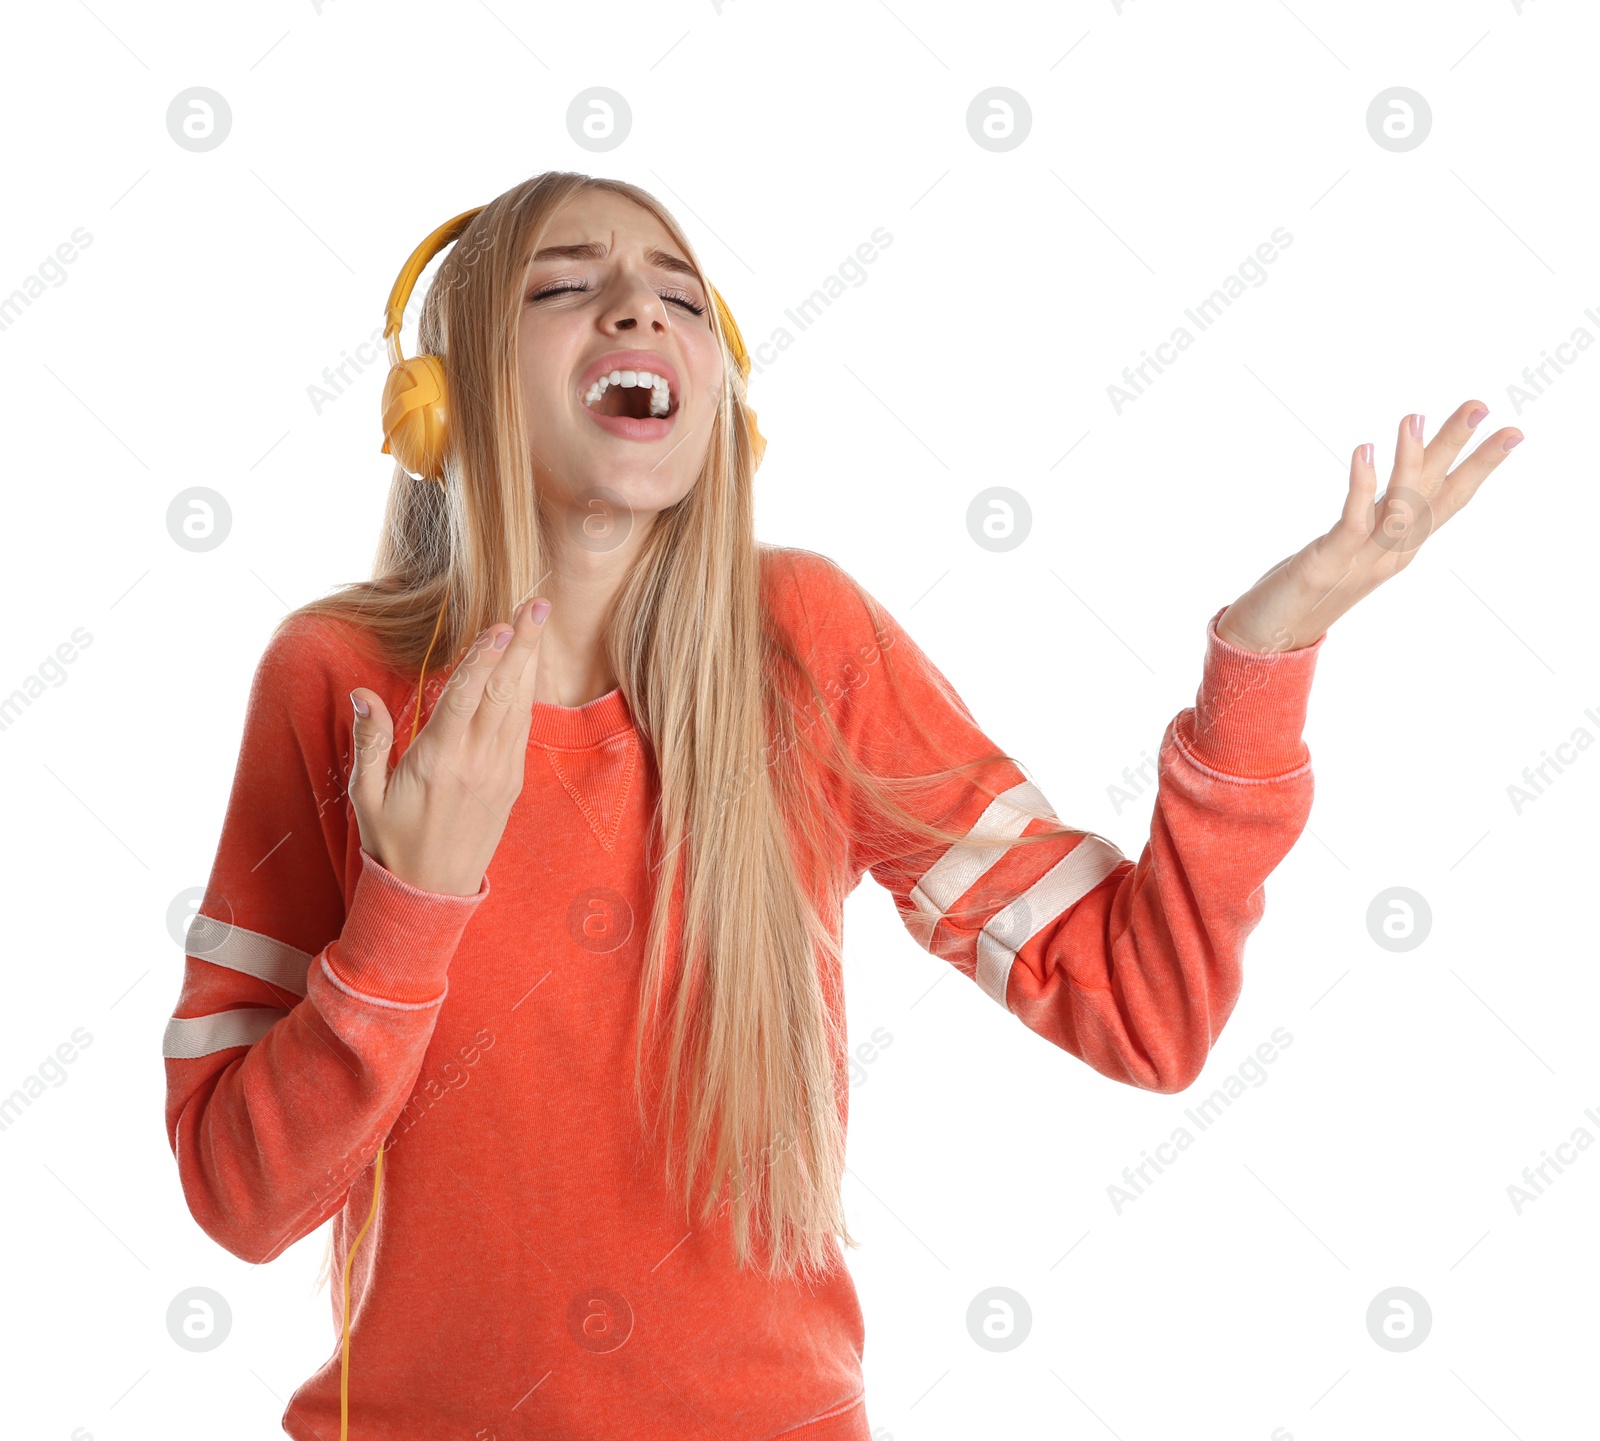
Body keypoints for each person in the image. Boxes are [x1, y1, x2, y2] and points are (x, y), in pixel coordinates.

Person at [161, 170, 1523, 1440]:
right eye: (566, 283)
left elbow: (1146, 1009)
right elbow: (242, 1199)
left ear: (721, 405)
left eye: (681, 296)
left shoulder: (804, 642)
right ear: (439, 398)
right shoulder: (339, 682)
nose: (641, 305)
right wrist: (406, 916)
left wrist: (1262, 658)